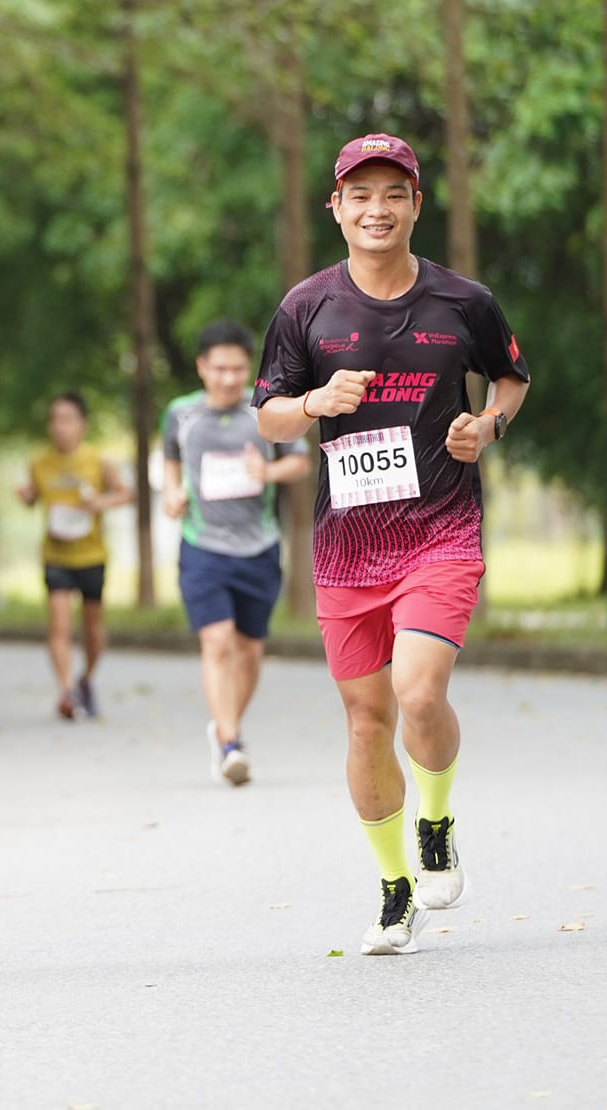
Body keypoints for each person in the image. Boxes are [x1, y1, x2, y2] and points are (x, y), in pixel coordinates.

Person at [251, 134, 529, 957]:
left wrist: (488, 425)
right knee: (367, 721)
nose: (377, 210)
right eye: (360, 195)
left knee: (415, 692)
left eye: (393, 195)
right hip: (347, 546)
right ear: (335, 207)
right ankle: (392, 887)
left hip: (440, 528)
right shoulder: (306, 308)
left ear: (416, 205)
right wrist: (311, 404)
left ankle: (435, 820)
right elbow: (265, 415)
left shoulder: (461, 302)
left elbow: (510, 376)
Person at [162, 322, 310, 785]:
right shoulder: (180, 414)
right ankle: (229, 742)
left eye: (238, 369)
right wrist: (171, 493)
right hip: (202, 546)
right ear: (202, 367)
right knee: (218, 641)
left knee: (249, 651)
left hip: (259, 546)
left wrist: (266, 472)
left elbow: (301, 461)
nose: (229, 378)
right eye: (220, 368)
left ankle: (226, 726)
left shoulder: (265, 411)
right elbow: (169, 459)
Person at [16, 393, 132, 720]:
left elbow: (125, 494)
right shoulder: (39, 463)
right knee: (60, 625)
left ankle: (86, 678)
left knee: (93, 629)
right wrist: (25, 496)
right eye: (55, 419)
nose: (61, 427)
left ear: (82, 424)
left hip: (91, 554)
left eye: (68, 419)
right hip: (56, 554)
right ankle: (66, 691)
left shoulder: (98, 461)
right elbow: (32, 497)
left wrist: (100, 503)